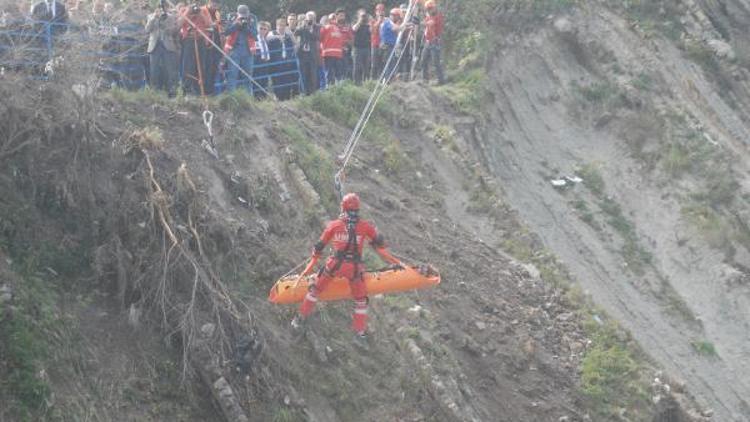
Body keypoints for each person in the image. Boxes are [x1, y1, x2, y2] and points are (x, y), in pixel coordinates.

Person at [291, 193, 403, 346]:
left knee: (314, 291)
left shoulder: (334, 225)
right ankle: (359, 333)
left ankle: (299, 319)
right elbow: (380, 242)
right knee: (361, 300)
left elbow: (319, 246)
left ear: (343, 208)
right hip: (354, 268)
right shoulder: (365, 226)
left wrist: (312, 261)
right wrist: (394, 260)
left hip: (334, 265)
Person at [145, 3, 180, 96]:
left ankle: (171, 91)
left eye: (163, 7)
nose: (161, 9)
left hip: (167, 45)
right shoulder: (150, 16)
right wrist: (154, 18)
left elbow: (174, 31)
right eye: (159, 7)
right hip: (154, 46)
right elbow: (147, 30)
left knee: (169, 70)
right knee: (153, 69)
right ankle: (154, 91)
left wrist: (165, 25)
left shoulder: (171, 17)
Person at [179, 2, 212, 95]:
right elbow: (179, 24)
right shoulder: (183, 9)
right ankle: (187, 90)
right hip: (188, 40)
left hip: (201, 40)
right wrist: (188, 11)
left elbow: (209, 24)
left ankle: (199, 90)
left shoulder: (204, 11)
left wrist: (200, 14)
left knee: (201, 67)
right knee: (187, 66)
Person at [223, 4, 255, 92]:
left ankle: (249, 98)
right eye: (241, 15)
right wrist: (235, 25)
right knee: (232, 75)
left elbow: (255, 34)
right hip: (234, 51)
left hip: (248, 51)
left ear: (248, 13)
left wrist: (246, 28)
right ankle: (231, 97)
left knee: (248, 76)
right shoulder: (232, 19)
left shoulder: (252, 19)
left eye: (245, 15)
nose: (243, 17)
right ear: (237, 13)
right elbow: (225, 32)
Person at [266, 17, 296, 100]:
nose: (281, 27)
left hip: (286, 62)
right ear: (276, 26)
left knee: (287, 81)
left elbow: (294, 44)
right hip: (276, 63)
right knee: (277, 81)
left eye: (283, 25)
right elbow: (266, 39)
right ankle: (279, 98)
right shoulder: (272, 34)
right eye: (280, 25)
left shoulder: (288, 36)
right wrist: (277, 37)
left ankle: (286, 98)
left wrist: (290, 34)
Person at [319, 8, 349, 86]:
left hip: (338, 54)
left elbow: (341, 40)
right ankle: (329, 89)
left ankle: (338, 89)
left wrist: (343, 47)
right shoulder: (326, 27)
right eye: (332, 18)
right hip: (328, 54)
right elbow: (319, 38)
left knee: (338, 73)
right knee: (329, 73)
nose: (342, 18)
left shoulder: (338, 28)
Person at [294, 10, 319, 95]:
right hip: (302, 54)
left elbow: (317, 37)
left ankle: (313, 93)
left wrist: (311, 28)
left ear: (315, 19)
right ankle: (303, 92)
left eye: (312, 19)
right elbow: (296, 33)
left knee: (312, 74)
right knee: (302, 74)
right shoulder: (302, 26)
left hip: (312, 54)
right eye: (309, 19)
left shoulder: (317, 27)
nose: (310, 20)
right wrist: (303, 24)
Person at [421, 0, 444, 85]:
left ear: (434, 8)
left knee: (436, 62)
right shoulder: (429, 16)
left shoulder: (438, 16)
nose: (429, 11)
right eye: (428, 9)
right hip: (428, 42)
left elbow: (430, 23)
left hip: (435, 42)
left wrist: (423, 23)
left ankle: (441, 80)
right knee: (423, 60)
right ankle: (425, 79)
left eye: (430, 9)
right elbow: (425, 22)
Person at [379, 7, 404, 82]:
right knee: (388, 64)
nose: (398, 19)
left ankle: (390, 79)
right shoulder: (388, 22)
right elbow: (396, 29)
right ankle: (386, 80)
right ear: (394, 16)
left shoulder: (390, 22)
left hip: (391, 46)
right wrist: (404, 25)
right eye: (398, 17)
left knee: (392, 63)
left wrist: (407, 25)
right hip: (387, 46)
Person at [351, 8, 370, 85]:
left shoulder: (367, 25)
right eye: (362, 15)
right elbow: (354, 29)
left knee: (366, 67)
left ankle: (366, 82)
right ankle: (356, 82)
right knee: (357, 66)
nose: (363, 17)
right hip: (357, 48)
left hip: (366, 48)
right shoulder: (354, 23)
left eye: (364, 15)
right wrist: (359, 20)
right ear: (358, 15)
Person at [252, 20, 271, 99]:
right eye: (261, 28)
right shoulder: (254, 39)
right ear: (257, 29)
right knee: (257, 80)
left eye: (264, 29)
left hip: (266, 62)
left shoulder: (267, 39)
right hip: (257, 62)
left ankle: (264, 96)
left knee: (264, 80)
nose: (262, 31)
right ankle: (256, 97)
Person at [369, 3, 385, 79]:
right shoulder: (372, 20)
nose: (380, 12)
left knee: (382, 63)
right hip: (375, 44)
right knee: (374, 64)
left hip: (383, 45)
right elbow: (373, 31)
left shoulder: (386, 21)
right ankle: (372, 80)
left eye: (382, 10)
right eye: (379, 10)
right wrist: (379, 21)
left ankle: (381, 79)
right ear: (376, 12)